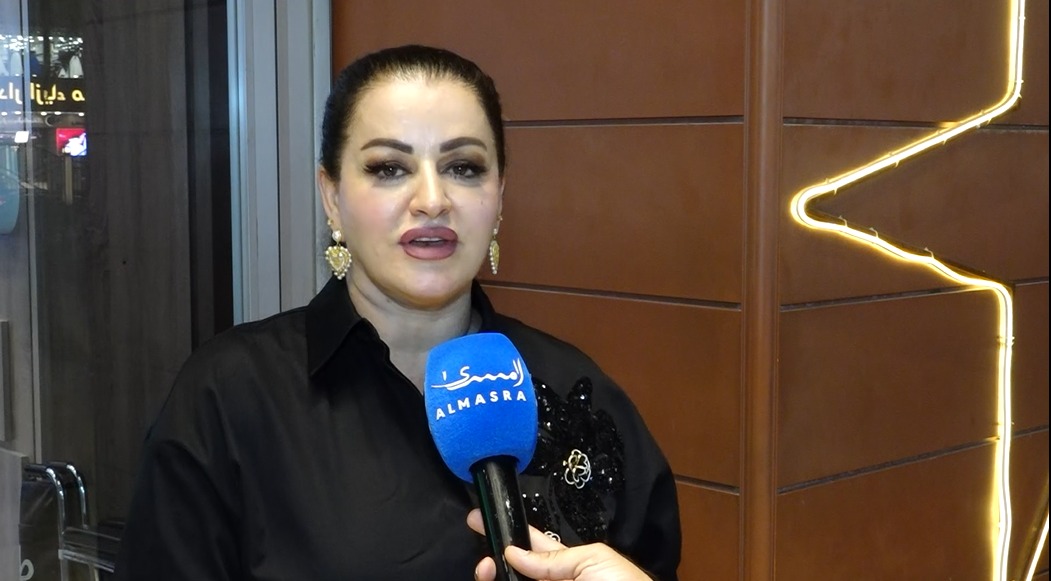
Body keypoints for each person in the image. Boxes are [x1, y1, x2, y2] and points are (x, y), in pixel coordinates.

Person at [113, 44, 680, 580]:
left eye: (464, 167)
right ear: (331, 196)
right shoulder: (229, 396)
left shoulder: (579, 393)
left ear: (500, 195)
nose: (432, 200)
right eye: (389, 167)